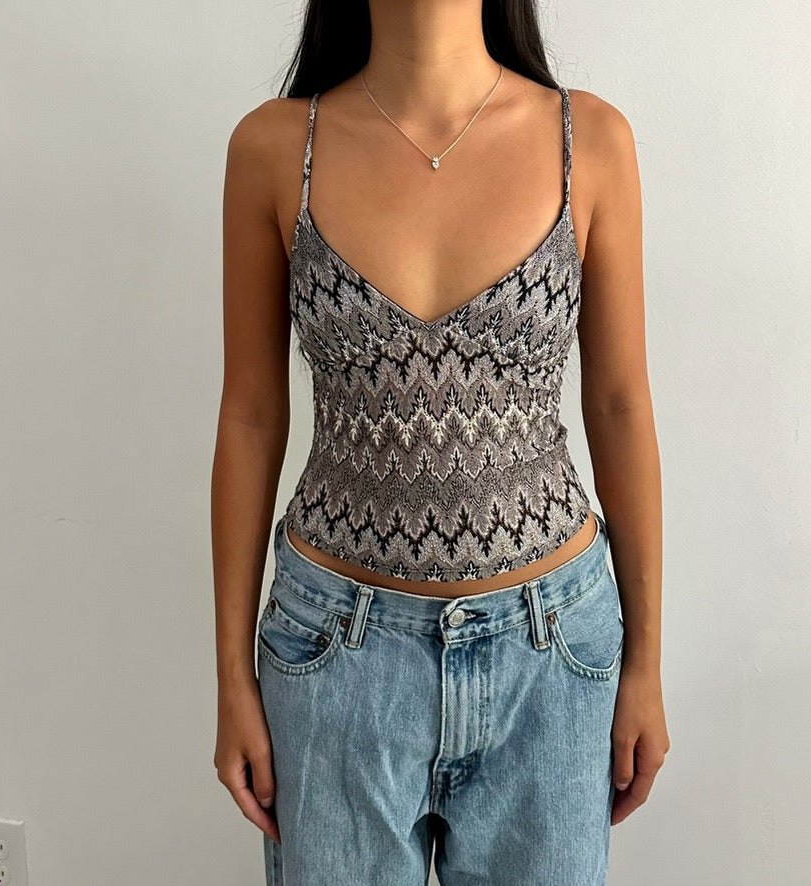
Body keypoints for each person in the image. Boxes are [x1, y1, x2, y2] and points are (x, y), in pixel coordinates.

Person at [212, 2, 669, 883]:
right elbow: (250, 416)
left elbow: (619, 405)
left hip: (552, 658)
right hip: (333, 657)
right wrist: (232, 673)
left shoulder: (589, 141)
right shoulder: (275, 148)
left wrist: (646, 661)